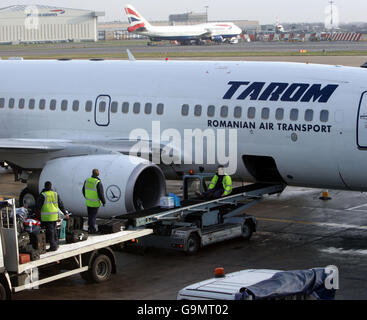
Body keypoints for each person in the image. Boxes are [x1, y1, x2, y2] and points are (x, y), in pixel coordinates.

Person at [35, 181, 68, 252]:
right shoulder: (55, 194)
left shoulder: (43, 195)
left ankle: (53, 246)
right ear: (51, 186)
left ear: (45, 186)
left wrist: (37, 215)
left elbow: (38, 206)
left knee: (50, 232)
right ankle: (56, 244)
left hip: (47, 217)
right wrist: (65, 213)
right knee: (54, 230)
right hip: (55, 216)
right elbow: (61, 204)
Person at [82, 169, 106, 234]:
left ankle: (90, 228)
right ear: (98, 174)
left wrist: (87, 197)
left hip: (88, 201)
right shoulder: (98, 182)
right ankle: (92, 230)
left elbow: (83, 190)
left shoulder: (87, 180)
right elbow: (101, 194)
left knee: (90, 216)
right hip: (95, 203)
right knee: (93, 216)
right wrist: (103, 202)